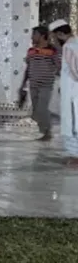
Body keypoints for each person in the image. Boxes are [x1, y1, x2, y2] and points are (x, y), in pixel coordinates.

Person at [19, 25, 60, 141]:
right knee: (36, 112)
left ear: (42, 36)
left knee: (42, 109)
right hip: (33, 85)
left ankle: (47, 132)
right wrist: (23, 85)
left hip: (46, 85)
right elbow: (28, 69)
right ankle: (44, 131)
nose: (32, 37)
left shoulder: (52, 51)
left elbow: (59, 66)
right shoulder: (31, 51)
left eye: (34, 34)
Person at [52, 20, 78, 164]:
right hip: (73, 91)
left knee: (72, 122)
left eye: (54, 37)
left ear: (60, 34)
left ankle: (75, 157)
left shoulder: (69, 46)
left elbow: (75, 70)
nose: (54, 41)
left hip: (73, 92)